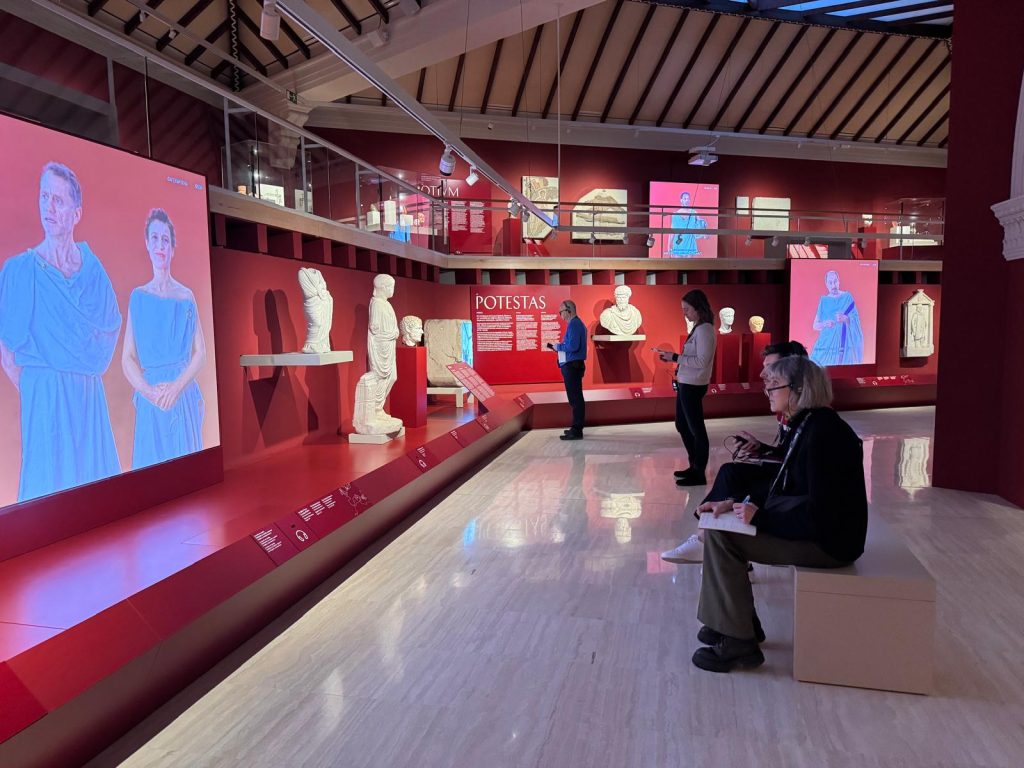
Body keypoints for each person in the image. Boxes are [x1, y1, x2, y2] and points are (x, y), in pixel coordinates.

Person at [692, 355, 868, 673]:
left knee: (722, 537)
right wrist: (733, 502)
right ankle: (737, 623)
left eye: (774, 384)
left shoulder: (823, 433)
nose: (767, 391)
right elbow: (787, 486)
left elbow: (823, 515)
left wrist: (760, 518)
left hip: (830, 543)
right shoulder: (810, 425)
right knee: (721, 524)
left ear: (799, 388)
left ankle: (739, 640)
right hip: (820, 530)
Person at [0, 161, 122, 502]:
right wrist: (40, 387)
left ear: (76, 213)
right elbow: (7, 348)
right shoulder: (20, 270)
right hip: (45, 401)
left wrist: (75, 372)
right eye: (44, 197)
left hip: (87, 398)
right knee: (49, 498)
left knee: (97, 498)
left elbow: (110, 329)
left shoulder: (92, 269)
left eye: (58, 200)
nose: (49, 208)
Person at [661, 341, 809, 564]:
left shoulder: (811, 420)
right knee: (730, 472)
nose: (762, 374)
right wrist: (762, 449)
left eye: (771, 369)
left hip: (793, 490)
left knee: (733, 477)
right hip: (788, 479)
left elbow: (800, 471)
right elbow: (791, 453)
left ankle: (707, 538)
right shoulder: (790, 412)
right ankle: (706, 535)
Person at [121, 209, 206, 470]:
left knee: (187, 471)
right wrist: (149, 392)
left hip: (182, 396)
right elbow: (127, 358)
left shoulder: (186, 296)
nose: (160, 245)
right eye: (155, 238)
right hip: (152, 401)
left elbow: (201, 352)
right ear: (147, 243)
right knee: (152, 473)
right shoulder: (138, 297)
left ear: (172, 248)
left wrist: (176, 388)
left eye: (165, 240)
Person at [655, 290, 715, 485]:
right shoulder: (699, 328)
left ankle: (699, 473)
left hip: (693, 384)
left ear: (698, 308)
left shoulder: (705, 330)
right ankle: (694, 466)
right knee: (682, 425)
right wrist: (674, 359)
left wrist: (675, 357)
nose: (685, 313)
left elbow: (702, 361)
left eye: (687, 309)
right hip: (686, 383)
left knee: (696, 429)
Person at [547, 299, 586, 441]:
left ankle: (577, 430)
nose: (561, 315)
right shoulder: (575, 324)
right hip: (572, 365)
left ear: (569, 310)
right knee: (575, 398)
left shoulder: (575, 324)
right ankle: (575, 427)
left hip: (572, 365)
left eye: (561, 312)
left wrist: (558, 347)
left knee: (575, 398)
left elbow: (573, 346)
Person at [810, 270, 864, 366]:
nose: (833, 285)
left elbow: (856, 321)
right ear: (826, 284)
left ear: (839, 281)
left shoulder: (847, 297)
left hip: (845, 346)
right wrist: (825, 324)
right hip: (826, 346)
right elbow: (815, 325)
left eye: (835, 281)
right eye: (830, 283)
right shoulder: (824, 301)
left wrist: (845, 318)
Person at [667, 191, 707, 257]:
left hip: (690, 246)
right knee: (677, 263)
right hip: (678, 246)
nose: (687, 200)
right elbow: (672, 232)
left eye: (688, 199)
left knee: (688, 263)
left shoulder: (694, 213)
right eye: (685, 198)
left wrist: (704, 233)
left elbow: (701, 225)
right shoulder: (675, 215)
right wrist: (668, 246)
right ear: (681, 200)